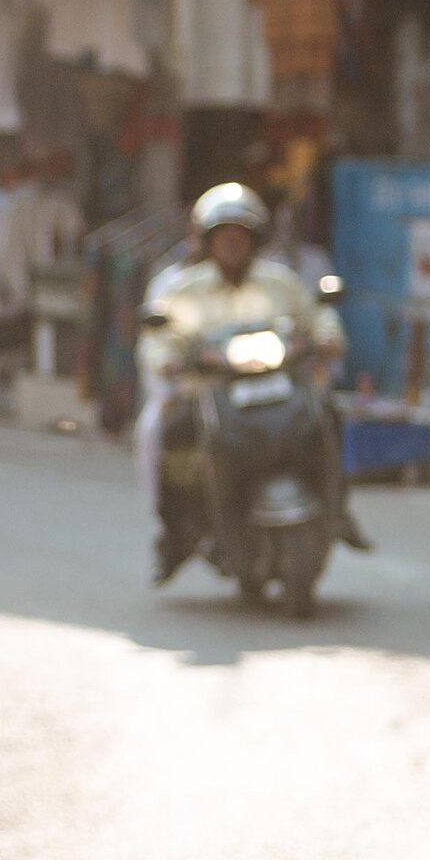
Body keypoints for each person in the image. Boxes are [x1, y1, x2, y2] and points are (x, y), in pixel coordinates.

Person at [137, 180, 354, 583]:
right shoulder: (184, 290)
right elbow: (162, 339)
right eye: (224, 236)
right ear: (207, 241)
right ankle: (174, 535)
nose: (233, 244)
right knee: (170, 437)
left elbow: (317, 316)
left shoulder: (281, 282)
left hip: (280, 388)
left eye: (241, 236)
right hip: (212, 395)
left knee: (329, 420)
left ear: (255, 239)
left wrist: (326, 337)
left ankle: (339, 509)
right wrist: (170, 361)